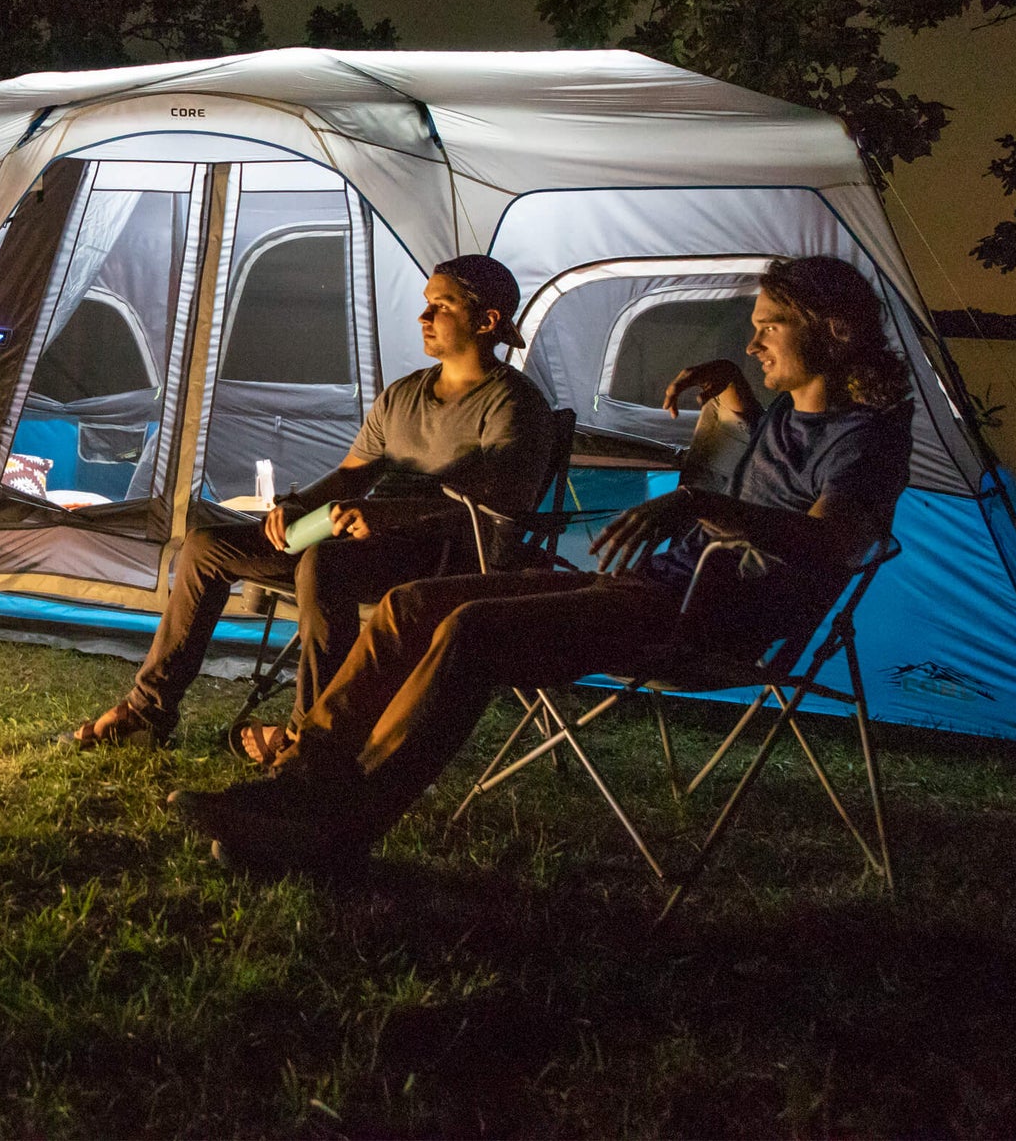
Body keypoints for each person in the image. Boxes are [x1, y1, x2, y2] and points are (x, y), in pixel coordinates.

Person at [169, 255, 915, 875]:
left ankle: (338, 831)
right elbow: (768, 469)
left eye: (769, 327)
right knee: (409, 604)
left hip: (708, 617)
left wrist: (697, 503)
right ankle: (297, 785)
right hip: (652, 585)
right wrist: (731, 390)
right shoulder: (791, 412)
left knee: (472, 629)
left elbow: (830, 542)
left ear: (832, 329)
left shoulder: (868, 439)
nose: (753, 342)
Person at [65, 254, 558, 754]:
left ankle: (310, 740)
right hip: (362, 540)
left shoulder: (513, 405)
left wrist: (390, 515)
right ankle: (147, 711)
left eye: (442, 306)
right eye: (426, 303)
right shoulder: (404, 395)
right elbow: (352, 474)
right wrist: (298, 506)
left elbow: (500, 508)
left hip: (442, 557)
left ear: (487, 321)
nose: (423, 316)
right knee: (206, 546)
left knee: (325, 562)